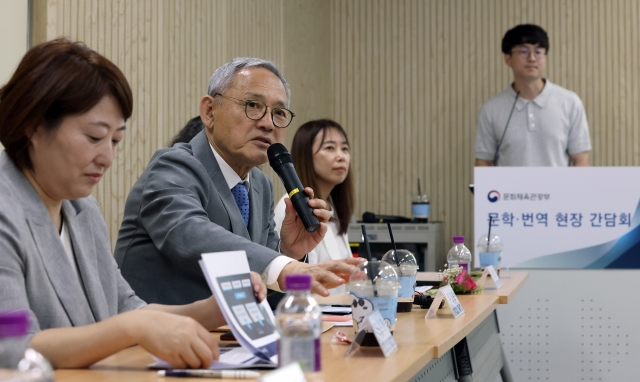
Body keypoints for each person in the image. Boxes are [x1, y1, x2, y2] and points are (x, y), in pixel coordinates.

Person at [0, 39, 267, 369]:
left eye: (115, 141)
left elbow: (128, 310)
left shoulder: (82, 210)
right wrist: (132, 328)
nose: (108, 158)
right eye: (95, 138)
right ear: (34, 126)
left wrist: (212, 309)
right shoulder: (5, 206)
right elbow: (11, 347)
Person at [114, 58, 362, 306]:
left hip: (230, 341)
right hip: (153, 340)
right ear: (210, 111)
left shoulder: (260, 186)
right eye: (253, 105)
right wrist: (282, 265)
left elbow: (266, 295)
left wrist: (289, 252)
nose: (267, 123)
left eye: (278, 113)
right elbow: (189, 233)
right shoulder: (173, 166)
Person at [475, 24, 591, 167]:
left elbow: (580, 159)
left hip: (558, 189)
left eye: (538, 52)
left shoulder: (570, 102)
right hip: (511, 190)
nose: (532, 58)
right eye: (523, 51)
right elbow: (484, 161)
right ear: (507, 59)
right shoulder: (491, 109)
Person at [274, 119, 354, 295]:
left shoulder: (332, 209)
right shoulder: (291, 207)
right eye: (330, 148)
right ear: (306, 156)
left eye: (345, 148)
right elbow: (288, 285)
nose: (341, 156)